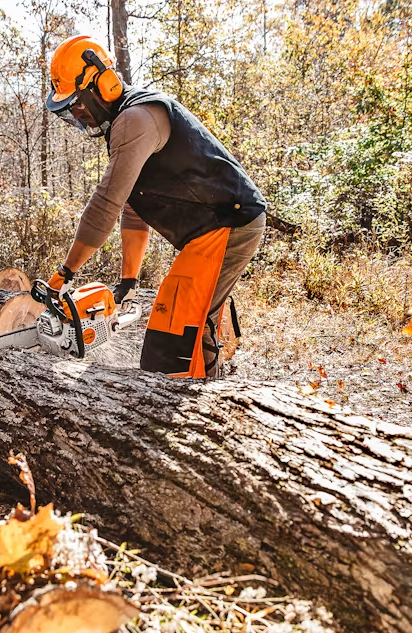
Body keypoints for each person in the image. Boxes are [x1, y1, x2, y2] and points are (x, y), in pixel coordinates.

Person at [46, 35, 266, 379]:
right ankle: (215, 370)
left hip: (228, 223)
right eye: (70, 111)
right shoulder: (125, 124)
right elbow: (135, 209)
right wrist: (128, 280)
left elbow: (106, 205)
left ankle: (206, 402)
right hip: (210, 231)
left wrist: (65, 273)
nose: (79, 116)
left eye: (78, 106)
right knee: (178, 322)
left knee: (172, 347)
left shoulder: (136, 119)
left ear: (101, 86)